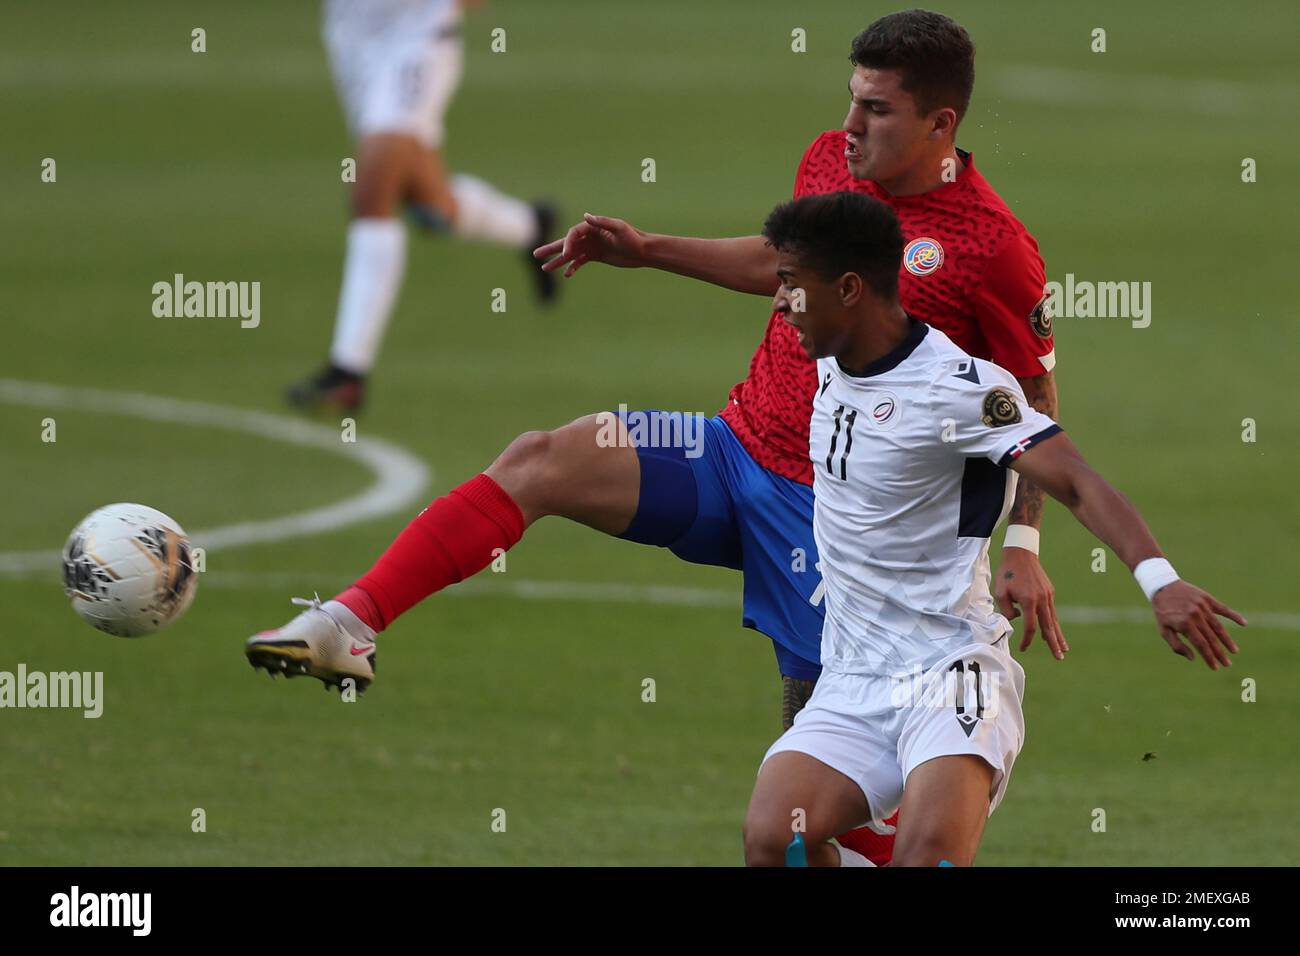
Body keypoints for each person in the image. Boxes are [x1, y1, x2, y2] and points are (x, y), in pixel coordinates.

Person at [248, 9, 1055, 866]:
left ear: (942, 124)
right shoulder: (831, 160)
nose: (850, 126)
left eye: (877, 111)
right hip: (733, 450)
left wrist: (1028, 542)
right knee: (542, 459)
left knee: (816, 824)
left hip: (843, 528)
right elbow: (778, 264)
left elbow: (1035, 396)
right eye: (851, 101)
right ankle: (350, 622)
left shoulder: (992, 248)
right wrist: (647, 249)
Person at [741, 191, 1244, 867]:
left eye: (793, 289)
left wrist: (1160, 580)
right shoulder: (833, 351)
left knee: (930, 859)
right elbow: (755, 269)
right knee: (777, 840)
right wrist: (643, 250)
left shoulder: (958, 389)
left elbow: (1075, 480)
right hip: (853, 677)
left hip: (952, 673)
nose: (780, 304)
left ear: (850, 290)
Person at [288, 0, 558, 414]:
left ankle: (348, 372)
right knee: (432, 207)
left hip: (415, 44)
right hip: (353, 42)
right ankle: (530, 227)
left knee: (370, 193)